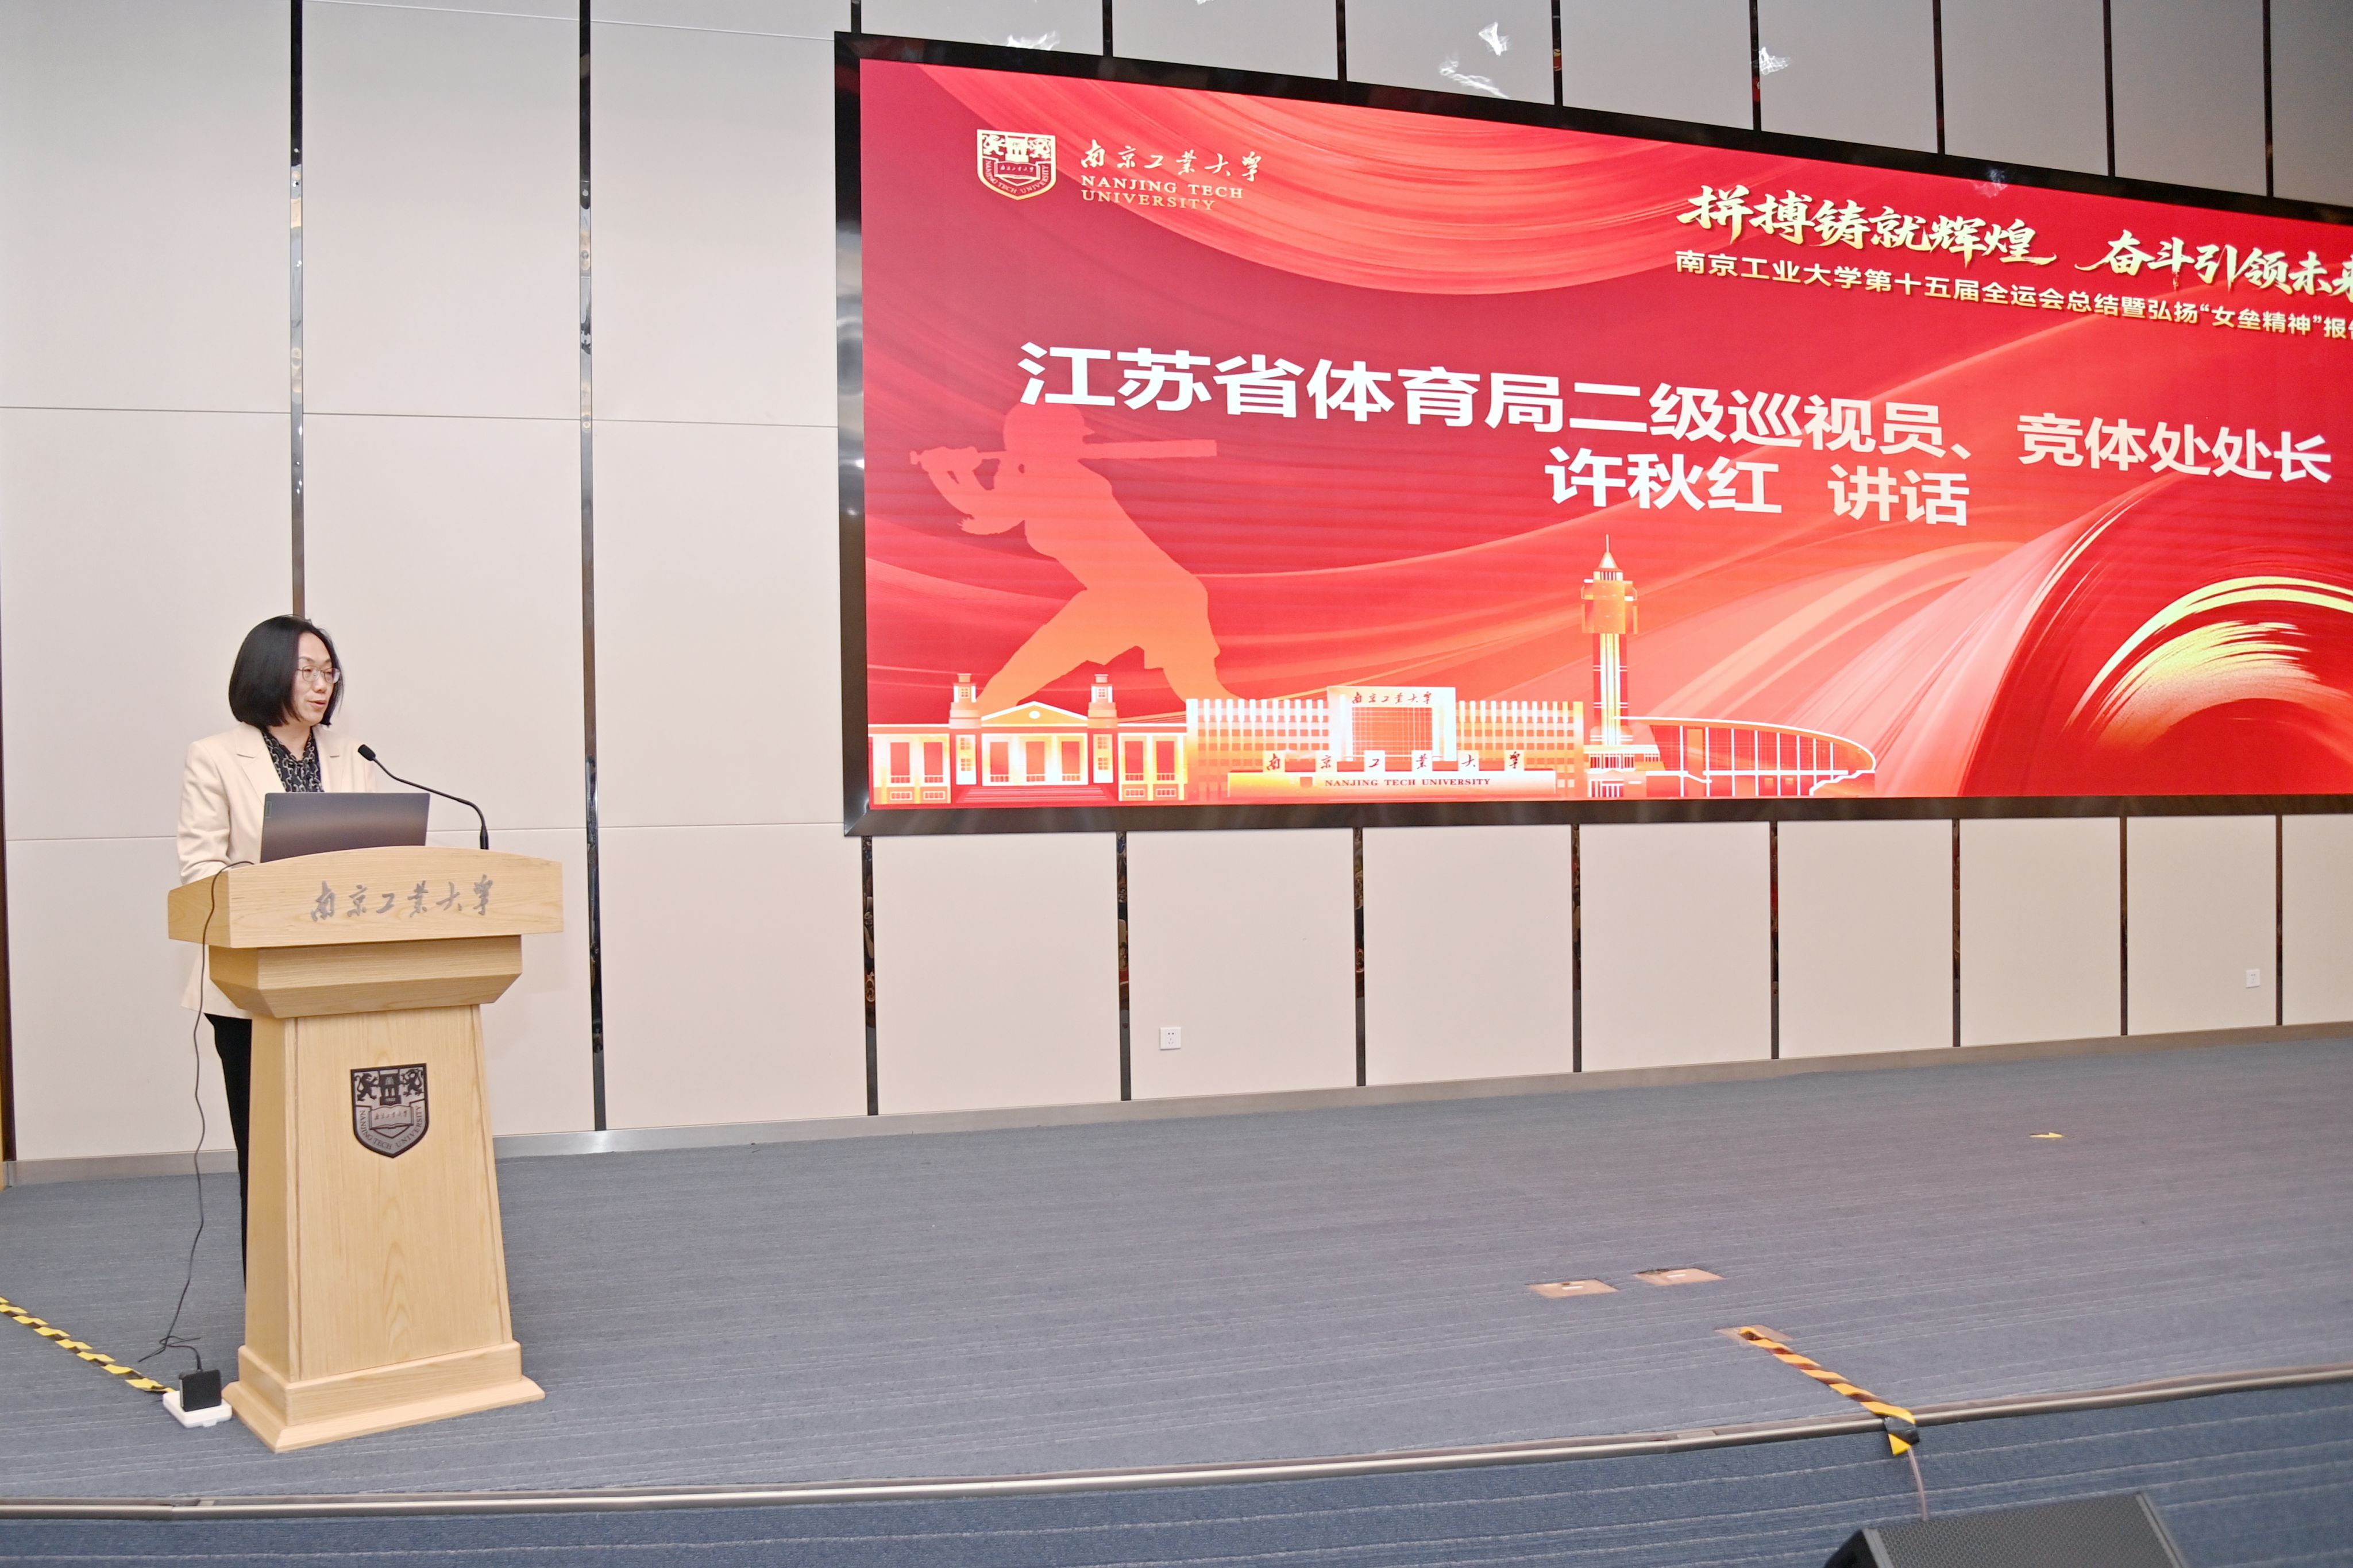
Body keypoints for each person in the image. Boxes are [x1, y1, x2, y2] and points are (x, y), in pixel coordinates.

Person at [177, 616, 376, 1259]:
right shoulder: (214, 756)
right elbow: (201, 872)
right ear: (267, 674)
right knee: (268, 1153)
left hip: (338, 981)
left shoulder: (354, 755)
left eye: (329, 673)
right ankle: (271, 1296)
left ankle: (344, 1279)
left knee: (342, 1145)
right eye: (307, 672)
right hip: (252, 986)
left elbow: (375, 860)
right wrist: (279, 886)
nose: (323, 686)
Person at [917, 400, 1234, 712]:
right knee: (1038, 661)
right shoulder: (1040, 478)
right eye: (1068, 439)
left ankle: (984, 712)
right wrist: (954, 471)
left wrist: (947, 470)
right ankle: (984, 712)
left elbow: (984, 508)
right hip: (1131, 592)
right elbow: (994, 516)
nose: (1077, 445)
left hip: (1154, 592)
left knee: (1199, 691)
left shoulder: (1068, 481)